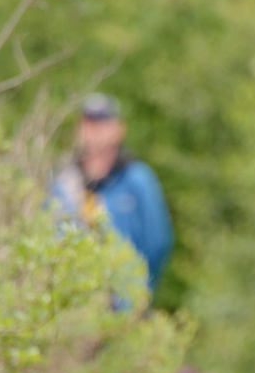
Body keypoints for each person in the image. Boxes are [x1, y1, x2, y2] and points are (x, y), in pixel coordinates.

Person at [51, 94, 174, 303]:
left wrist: (136, 292)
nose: (94, 131)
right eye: (88, 123)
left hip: (124, 305)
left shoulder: (137, 179)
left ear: (119, 129)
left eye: (102, 123)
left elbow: (158, 243)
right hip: (75, 305)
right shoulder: (64, 181)